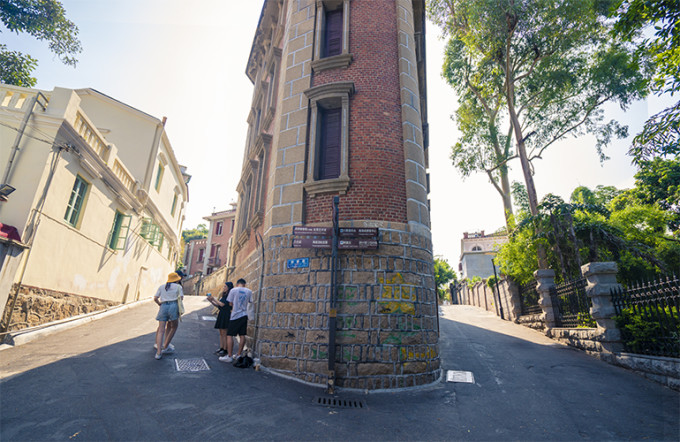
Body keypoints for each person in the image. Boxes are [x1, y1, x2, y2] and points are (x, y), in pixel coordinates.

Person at [219, 278, 252, 363]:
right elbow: (250, 302)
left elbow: (230, 303)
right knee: (242, 335)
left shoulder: (233, 290)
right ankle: (238, 354)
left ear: (237, 284)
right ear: (244, 284)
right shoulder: (249, 291)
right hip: (244, 315)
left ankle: (229, 356)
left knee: (229, 335)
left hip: (235, 315)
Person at [153, 272, 184, 360]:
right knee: (174, 326)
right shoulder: (178, 287)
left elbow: (155, 298)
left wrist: (160, 304)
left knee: (161, 330)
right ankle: (166, 346)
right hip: (173, 306)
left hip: (163, 306)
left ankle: (158, 352)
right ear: (177, 279)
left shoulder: (162, 286)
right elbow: (181, 298)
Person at [207, 281, 233, 357]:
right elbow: (218, 305)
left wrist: (214, 299)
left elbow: (222, 304)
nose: (223, 288)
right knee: (221, 332)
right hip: (221, 314)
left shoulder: (229, 296)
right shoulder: (224, 296)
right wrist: (211, 301)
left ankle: (225, 349)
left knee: (224, 332)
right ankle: (221, 348)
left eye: (225, 286)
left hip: (226, 314)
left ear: (229, 288)